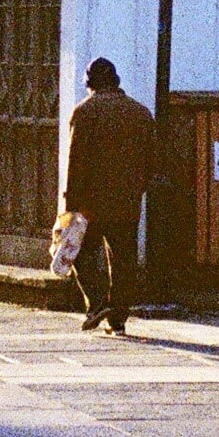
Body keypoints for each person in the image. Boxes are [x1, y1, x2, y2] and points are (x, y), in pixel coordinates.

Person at [64, 57, 154, 334]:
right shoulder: (140, 113)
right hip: (127, 200)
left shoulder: (85, 112)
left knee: (79, 252)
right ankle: (118, 318)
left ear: (90, 83)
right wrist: (138, 187)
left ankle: (97, 301)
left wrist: (71, 204)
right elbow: (151, 159)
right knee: (124, 259)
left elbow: (76, 161)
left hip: (91, 202)